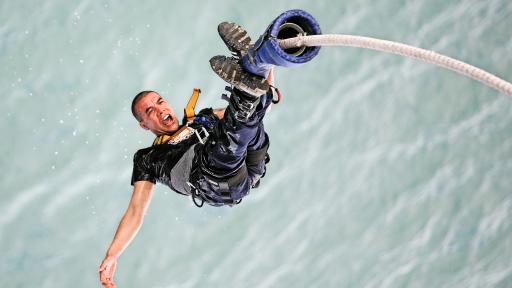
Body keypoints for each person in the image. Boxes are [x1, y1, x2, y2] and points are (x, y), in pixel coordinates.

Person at [99, 22, 276, 288]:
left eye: (159, 102)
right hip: (217, 180)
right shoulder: (148, 158)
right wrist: (113, 254)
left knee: (251, 120)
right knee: (230, 136)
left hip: (251, 163)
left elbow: (264, 116)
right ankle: (247, 91)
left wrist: (270, 63)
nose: (159, 110)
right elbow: (136, 211)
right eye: (149, 112)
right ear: (144, 126)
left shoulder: (203, 118)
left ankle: (254, 70)